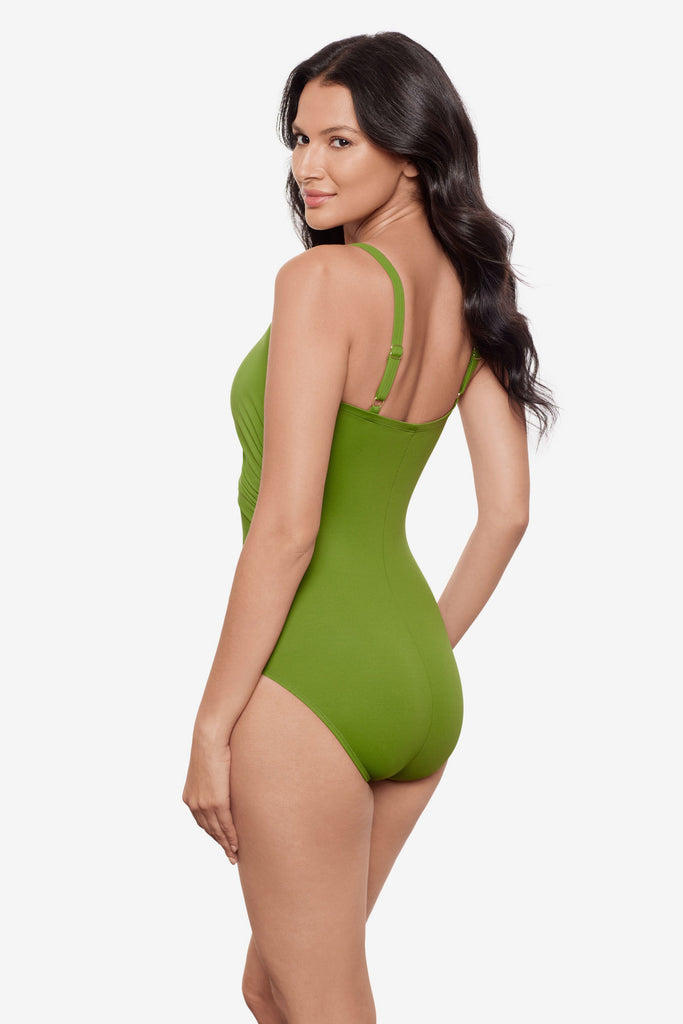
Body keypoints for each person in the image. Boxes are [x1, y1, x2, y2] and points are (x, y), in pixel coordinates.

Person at [182, 30, 559, 1024]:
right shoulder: (472, 298)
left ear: (412, 154)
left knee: (321, 1004)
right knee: (271, 986)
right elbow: (507, 514)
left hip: (310, 678)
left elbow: (286, 528)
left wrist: (212, 724)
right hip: (415, 677)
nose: (307, 166)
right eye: (299, 139)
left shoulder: (318, 284)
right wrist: (408, 653)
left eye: (339, 142)